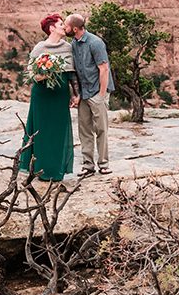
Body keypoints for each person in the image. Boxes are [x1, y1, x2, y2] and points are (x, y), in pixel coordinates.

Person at [19, 14, 76, 183]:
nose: (63, 27)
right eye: (60, 24)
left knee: (58, 130)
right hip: (42, 95)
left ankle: (56, 171)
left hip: (60, 95)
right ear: (51, 28)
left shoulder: (67, 48)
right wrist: (44, 75)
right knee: (41, 131)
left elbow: (71, 74)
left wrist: (75, 94)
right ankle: (40, 169)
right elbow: (31, 74)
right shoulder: (39, 48)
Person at [65, 12, 115, 176]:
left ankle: (104, 164)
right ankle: (88, 165)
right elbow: (77, 72)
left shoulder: (95, 43)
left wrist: (101, 95)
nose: (65, 28)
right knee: (84, 129)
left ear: (74, 28)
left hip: (97, 91)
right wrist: (78, 94)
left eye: (66, 25)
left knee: (101, 129)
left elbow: (104, 69)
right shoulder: (74, 44)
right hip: (84, 93)